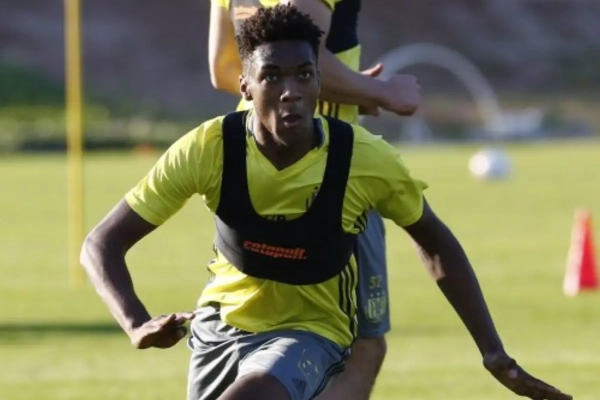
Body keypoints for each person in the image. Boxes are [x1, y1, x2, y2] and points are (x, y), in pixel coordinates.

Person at [80, 5, 572, 400]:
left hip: (312, 331)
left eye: (304, 75)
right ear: (245, 85)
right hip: (220, 327)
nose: (290, 92)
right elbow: (101, 243)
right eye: (272, 77)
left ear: (320, 80)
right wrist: (135, 322)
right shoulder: (208, 149)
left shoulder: (364, 159)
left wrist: (493, 354)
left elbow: (436, 242)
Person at [207, 1, 420, 398]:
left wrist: (352, 89)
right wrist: (383, 91)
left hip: (252, 165)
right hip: (331, 169)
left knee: (258, 331)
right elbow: (311, 59)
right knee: (361, 347)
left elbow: (224, 70)